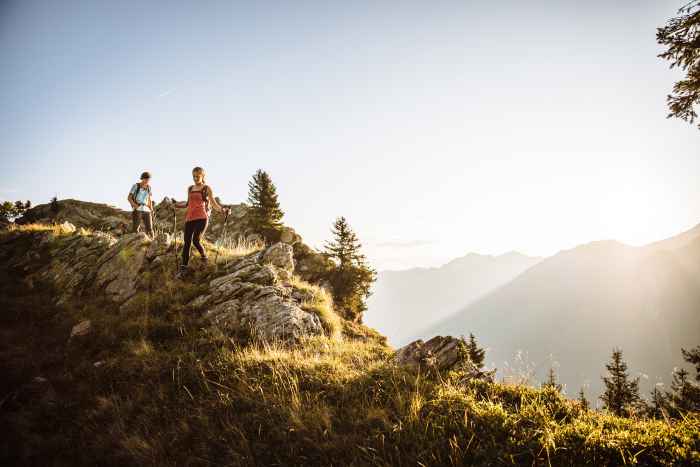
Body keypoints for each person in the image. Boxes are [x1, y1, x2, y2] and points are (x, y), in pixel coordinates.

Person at [174, 166, 229, 277]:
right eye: (193, 176)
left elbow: (213, 203)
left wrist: (223, 210)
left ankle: (204, 256)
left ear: (202, 176)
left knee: (196, 240)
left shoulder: (206, 188)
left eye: (197, 176)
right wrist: (176, 205)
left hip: (202, 218)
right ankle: (183, 268)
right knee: (187, 243)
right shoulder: (190, 188)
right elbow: (187, 204)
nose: (195, 178)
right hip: (189, 218)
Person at [127, 171, 154, 238]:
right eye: (146, 179)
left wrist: (151, 209)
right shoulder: (136, 186)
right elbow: (129, 198)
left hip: (146, 209)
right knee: (135, 229)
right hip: (138, 208)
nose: (147, 181)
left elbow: (149, 199)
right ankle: (134, 244)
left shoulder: (149, 188)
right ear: (142, 178)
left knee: (150, 229)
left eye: (148, 179)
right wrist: (135, 205)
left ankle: (152, 243)